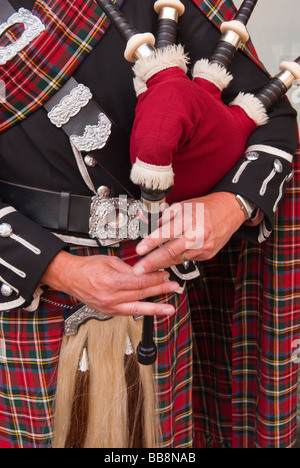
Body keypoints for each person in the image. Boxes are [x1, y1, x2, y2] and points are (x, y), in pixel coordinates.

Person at [0, 0, 298, 448]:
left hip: (159, 284)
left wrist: (230, 205)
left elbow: (269, 116)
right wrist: (58, 268)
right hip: (28, 295)